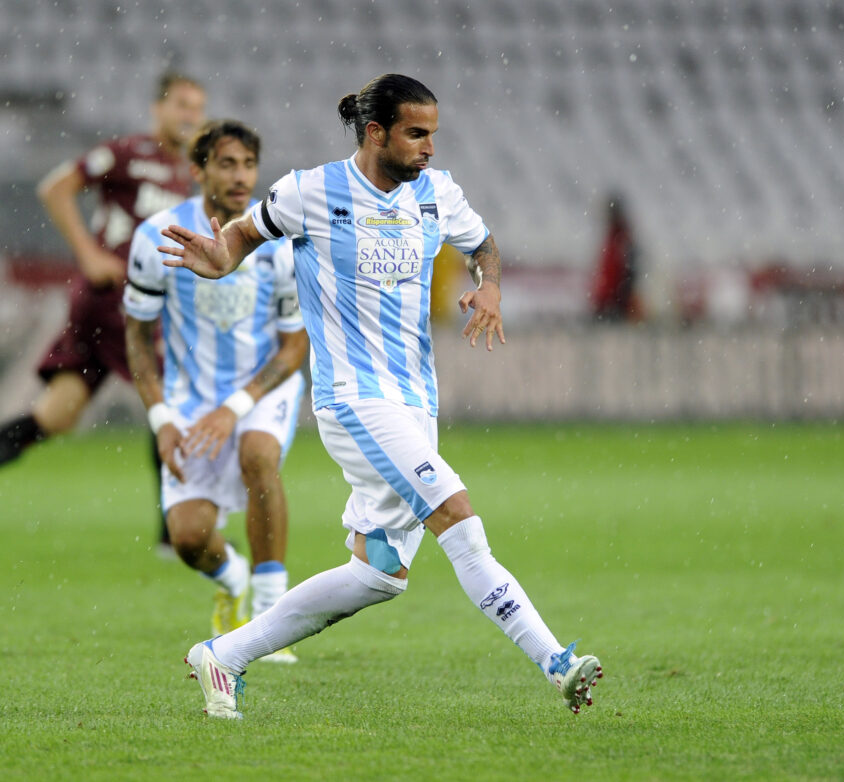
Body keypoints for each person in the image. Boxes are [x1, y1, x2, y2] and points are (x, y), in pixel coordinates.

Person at [159, 74, 603, 719]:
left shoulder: (437, 193)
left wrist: (491, 286)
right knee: (457, 514)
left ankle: (222, 655)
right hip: (353, 399)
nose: (428, 148)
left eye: (433, 135)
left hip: (415, 400)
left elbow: (484, 245)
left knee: (379, 574)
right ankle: (556, 661)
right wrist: (219, 256)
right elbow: (243, 237)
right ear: (376, 133)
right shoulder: (310, 191)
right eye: (416, 134)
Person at [125, 119, 309, 661]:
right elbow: (137, 338)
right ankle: (234, 580)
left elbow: (294, 348)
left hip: (260, 387)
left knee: (259, 456)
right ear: (197, 169)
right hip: (189, 398)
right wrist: (161, 421)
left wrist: (234, 409)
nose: (240, 176)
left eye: (248, 164)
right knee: (187, 539)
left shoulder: (277, 242)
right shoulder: (157, 236)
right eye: (226, 163)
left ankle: (271, 622)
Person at [0, 72, 207, 553]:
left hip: (130, 304)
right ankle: (172, 536)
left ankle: (171, 532)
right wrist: (89, 255)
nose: (189, 116)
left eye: (196, 108)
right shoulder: (127, 154)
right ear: (158, 108)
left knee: (55, 416)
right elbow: (56, 188)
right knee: (169, 403)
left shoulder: (191, 173)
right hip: (111, 299)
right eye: (180, 105)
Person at [590, 193, 641, 321]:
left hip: (614, 303)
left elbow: (629, 273)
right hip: (608, 301)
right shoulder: (615, 236)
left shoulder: (621, 238)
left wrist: (620, 299)